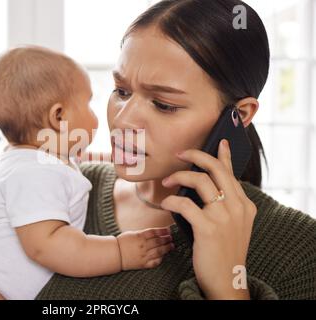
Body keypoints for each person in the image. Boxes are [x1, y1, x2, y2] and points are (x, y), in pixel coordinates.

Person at [36, 0, 316, 300]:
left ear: (241, 115)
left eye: (164, 105)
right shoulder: (62, 189)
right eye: (122, 91)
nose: (122, 118)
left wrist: (227, 285)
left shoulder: (298, 251)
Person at [0, 46, 174, 300]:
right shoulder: (34, 173)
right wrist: (119, 252)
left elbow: (80, 162)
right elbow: (49, 245)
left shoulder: (41, 161)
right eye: (88, 104)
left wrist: (117, 160)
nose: (98, 117)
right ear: (58, 117)